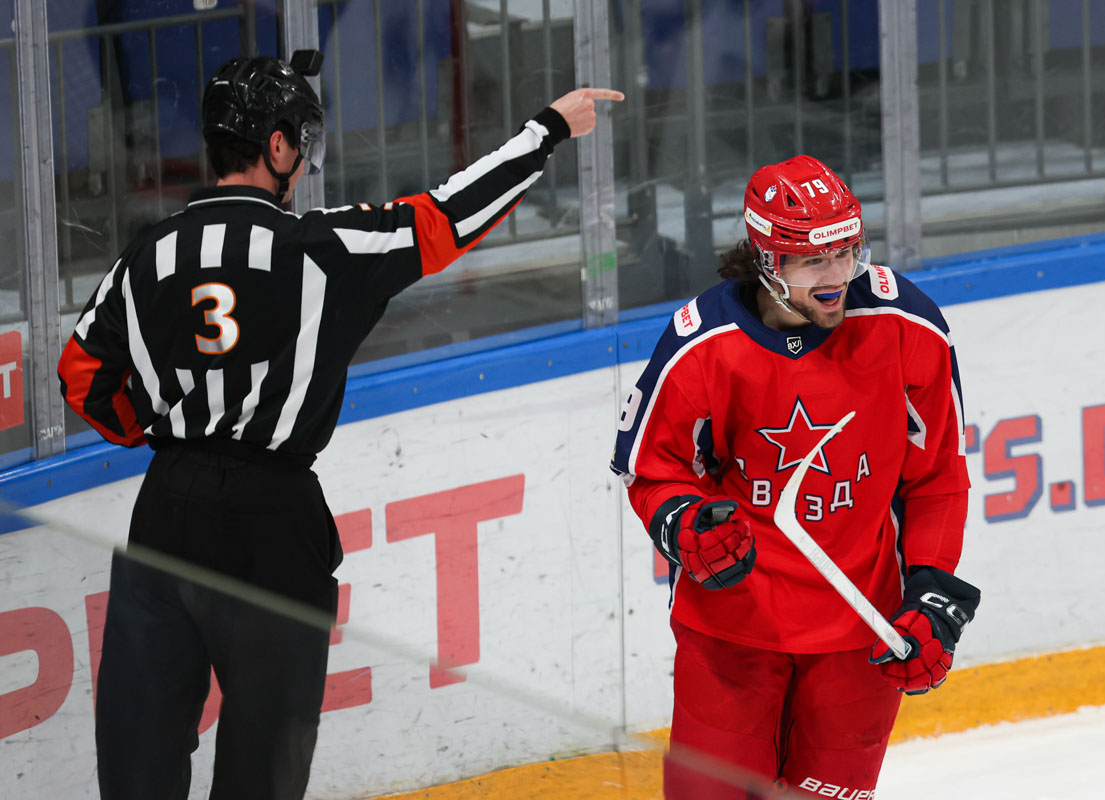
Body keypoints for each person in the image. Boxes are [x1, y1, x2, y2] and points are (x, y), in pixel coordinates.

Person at [57, 49, 622, 800]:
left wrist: (157, 437)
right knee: (264, 764)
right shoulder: (324, 248)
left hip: (167, 512)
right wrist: (545, 130)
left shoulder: (147, 255)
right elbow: (450, 215)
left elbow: (81, 376)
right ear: (276, 146)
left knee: (141, 758)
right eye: (300, 143)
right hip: (272, 522)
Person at [610, 155, 981, 798]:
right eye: (813, 261)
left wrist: (930, 590)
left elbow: (937, 475)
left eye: (845, 253)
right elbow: (653, 470)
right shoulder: (703, 345)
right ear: (767, 260)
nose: (836, 277)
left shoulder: (907, 325)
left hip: (861, 632)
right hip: (730, 632)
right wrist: (684, 524)